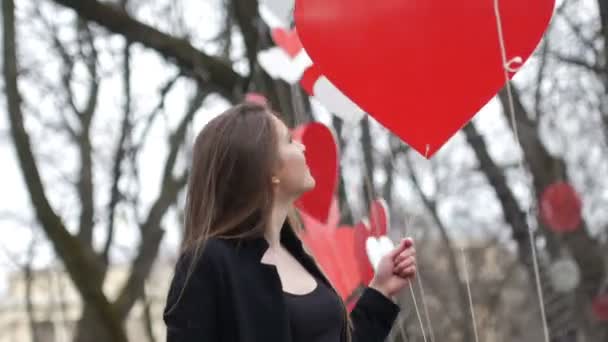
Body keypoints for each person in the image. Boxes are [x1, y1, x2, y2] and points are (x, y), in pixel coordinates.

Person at [163, 102, 417, 342]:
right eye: (289, 141)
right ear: (266, 167)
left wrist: (381, 290)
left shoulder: (296, 254)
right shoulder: (209, 262)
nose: (302, 147)